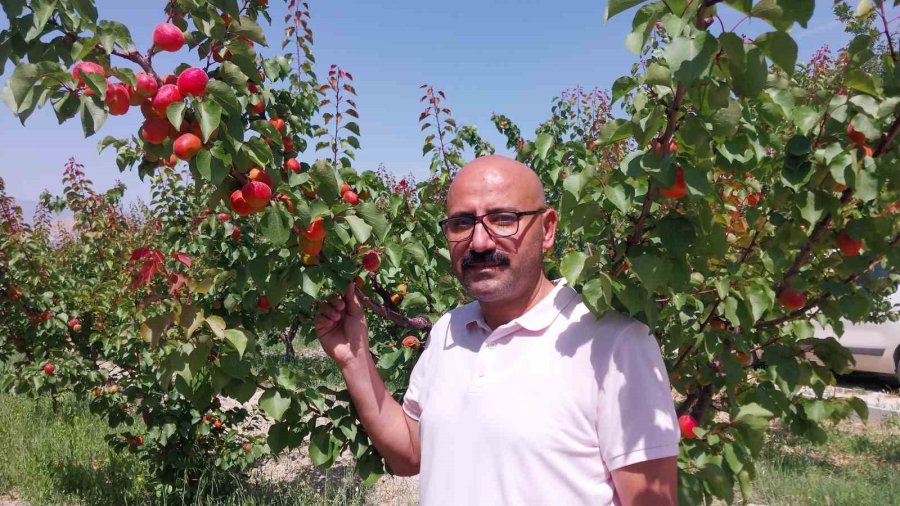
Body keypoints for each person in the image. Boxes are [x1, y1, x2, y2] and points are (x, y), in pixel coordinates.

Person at [315, 155, 680, 505]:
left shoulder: (614, 346)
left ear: (548, 229)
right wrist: (355, 359)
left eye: (504, 219)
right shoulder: (448, 330)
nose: (479, 242)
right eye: (461, 223)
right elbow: (409, 454)